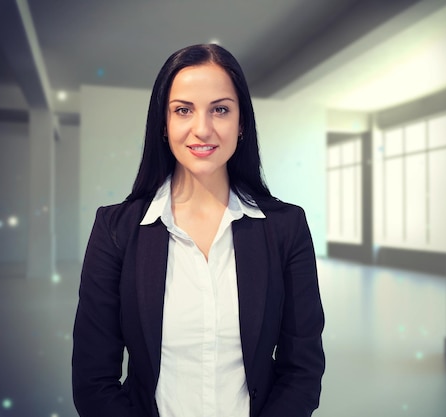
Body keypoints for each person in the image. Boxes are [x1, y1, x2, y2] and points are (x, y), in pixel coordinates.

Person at [72, 43, 325, 417]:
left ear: (241, 124)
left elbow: (302, 371)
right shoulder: (116, 230)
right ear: (164, 123)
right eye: (183, 110)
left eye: (220, 110)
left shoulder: (286, 228)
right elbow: (93, 382)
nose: (202, 129)